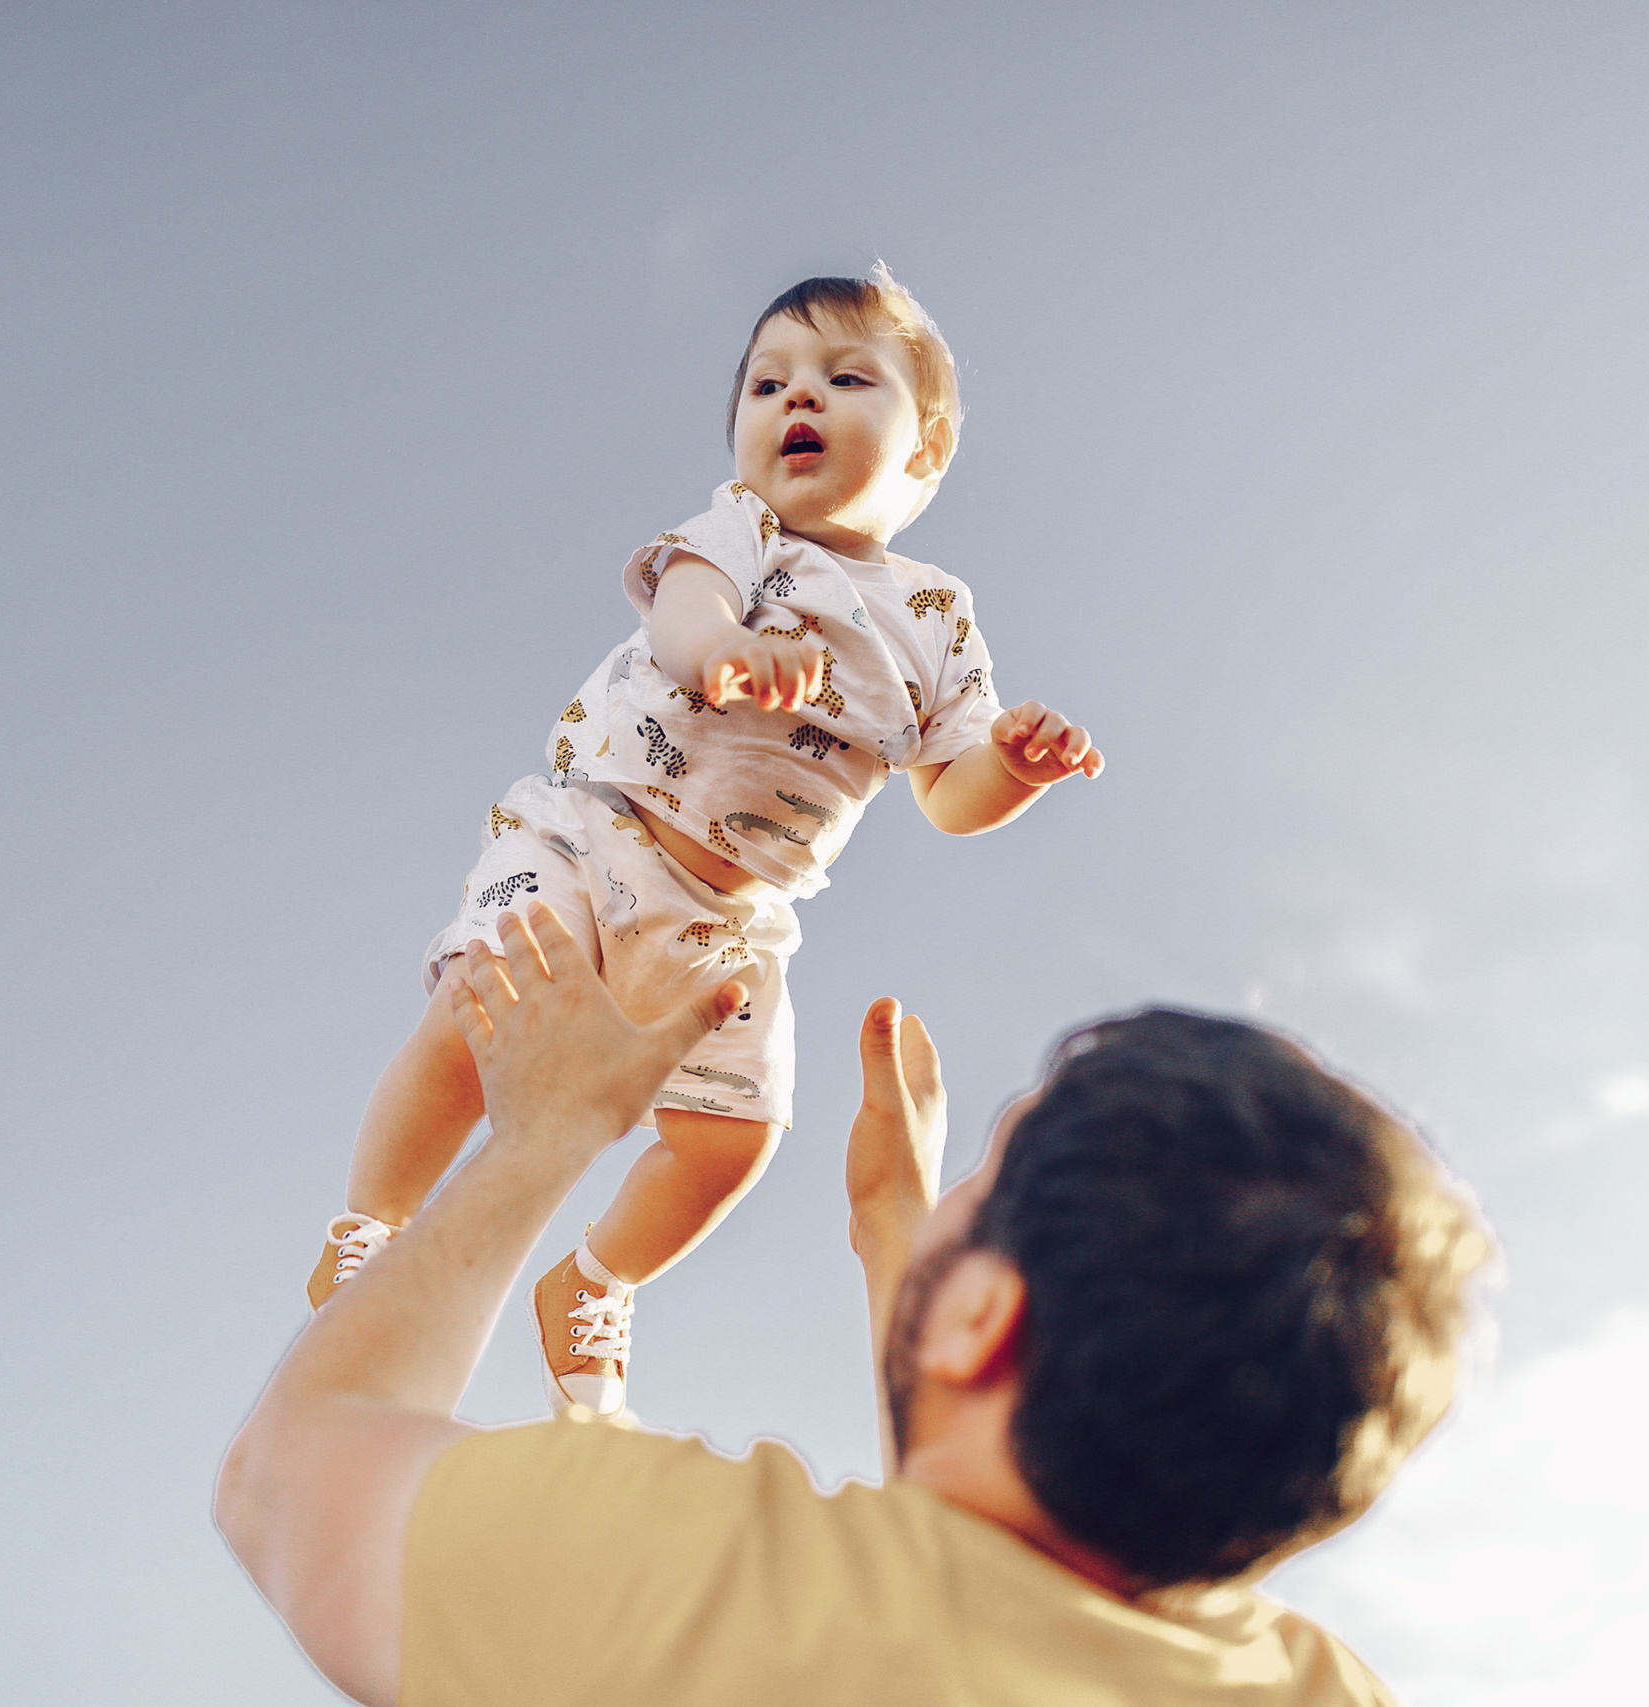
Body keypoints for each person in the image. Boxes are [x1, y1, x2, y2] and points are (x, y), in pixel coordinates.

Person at [218, 905, 1494, 1705]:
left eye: (977, 1189)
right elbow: (981, 1597)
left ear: (982, 1319)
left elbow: (289, 1474)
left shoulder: (681, 1589)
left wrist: (549, 1129)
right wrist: (900, 1239)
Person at [309, 267, 1103, 1419]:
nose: (799, 401)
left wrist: (1014, 771)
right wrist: (723, 648)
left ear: (924, 452)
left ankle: (595, 1279)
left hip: (730, 921)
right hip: (602, 833)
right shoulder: (742, 532)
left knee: (734, 1138)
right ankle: (370, 1223)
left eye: (844, 378)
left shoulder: (937, 619)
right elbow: (682, 615)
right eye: (768, 382)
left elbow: (948, 792)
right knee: (481, 1007)